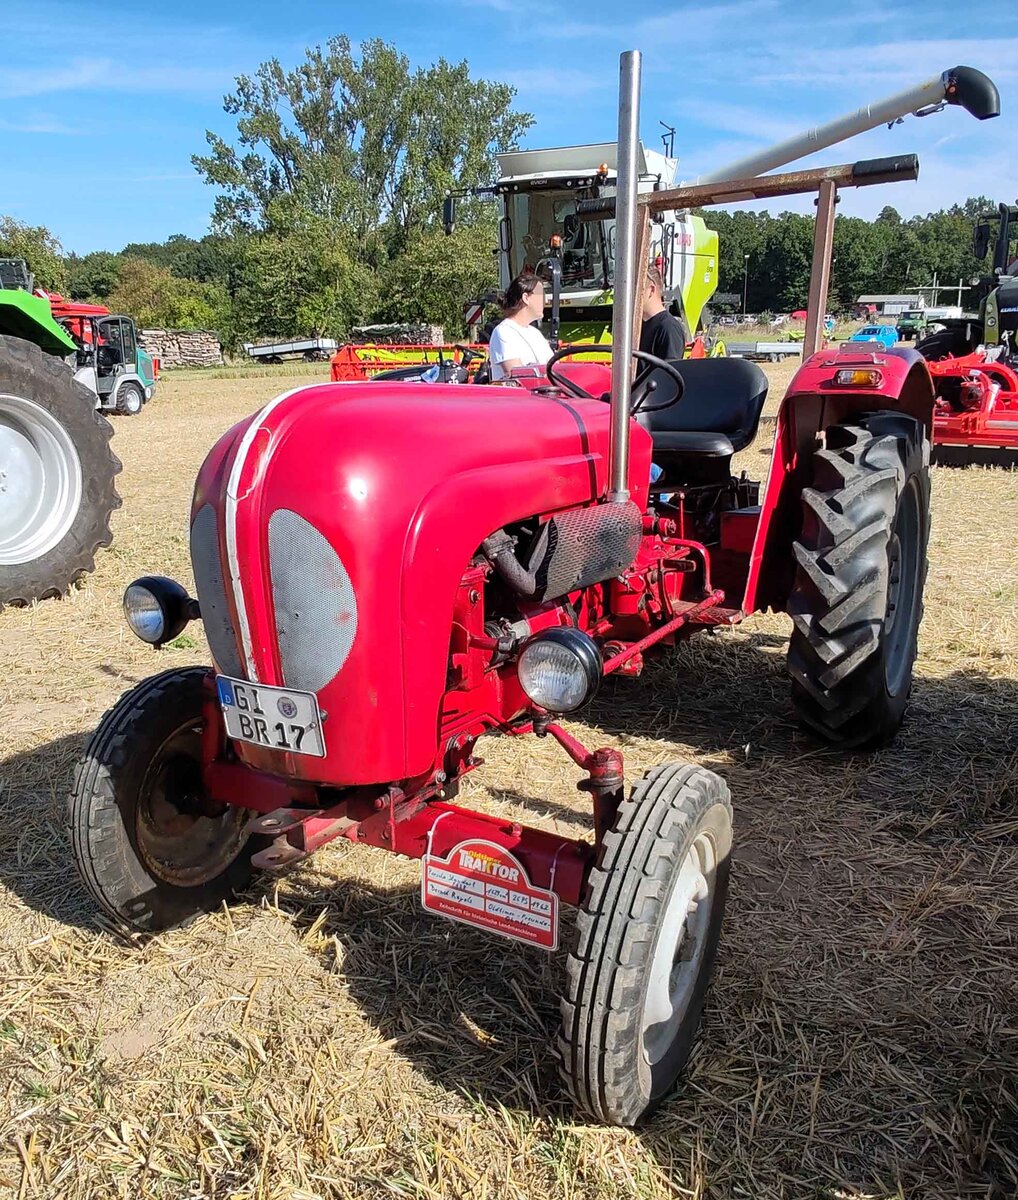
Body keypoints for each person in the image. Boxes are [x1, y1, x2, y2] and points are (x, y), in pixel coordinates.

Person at [487, 270, 553, 382]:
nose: (546, 300)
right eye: (541, 295)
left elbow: (555, 369)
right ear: (526, 298)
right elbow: (519, 378)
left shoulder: (535, 333)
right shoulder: (504, 332)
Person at [639, 262, 690, 363]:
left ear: (651, 290)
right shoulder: (637, 326)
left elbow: (668, 374)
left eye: (635, 290)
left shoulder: (668, 328)